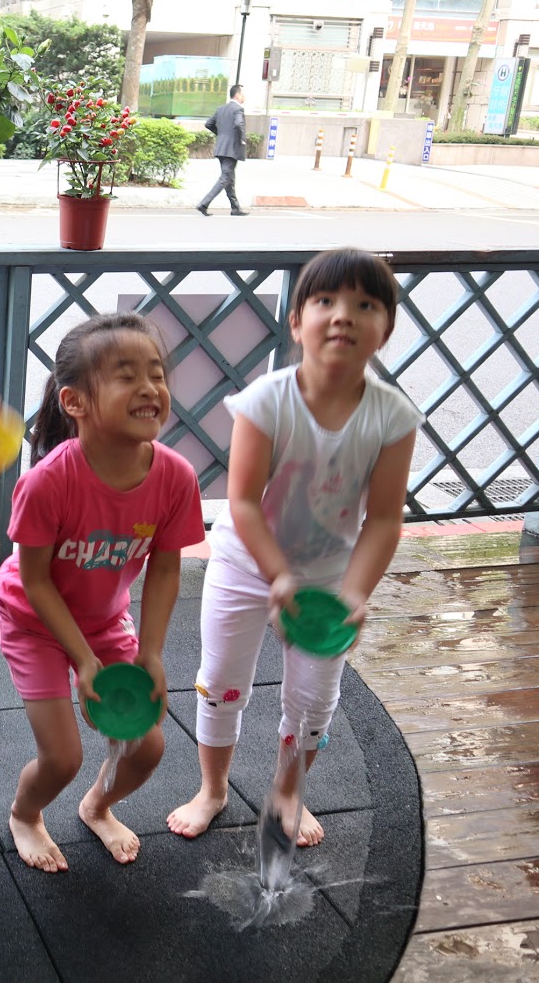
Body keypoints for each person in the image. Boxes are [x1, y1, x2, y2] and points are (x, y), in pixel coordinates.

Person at [166, 248, 421, 846]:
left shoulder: (392, 416)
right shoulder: (267, 400)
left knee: (313, 701)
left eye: (366, 305)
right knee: (221, 682)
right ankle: (212, 789)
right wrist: (278, 574)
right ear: (297, 321)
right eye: (325, 301)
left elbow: (384, 519)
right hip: (245, 565)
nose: (344, 315)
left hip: (329, 580)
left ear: (385, 329)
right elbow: (243, 501)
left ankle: (286, 793)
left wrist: (354, 593)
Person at [0, 313, 205, 872]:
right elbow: (35, 580)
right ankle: (25, 814)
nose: (150, 388)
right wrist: (84, 661)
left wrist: (151, 653)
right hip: (34, 620)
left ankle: (97, 806)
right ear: (75, 402)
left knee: (148, 746)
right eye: (126, 376)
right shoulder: (47, 482)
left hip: (105, 620)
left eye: (156, 374)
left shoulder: (175, 477)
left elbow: (165, 570)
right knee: (62, 756)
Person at [198, 83, 249, 217]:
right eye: (243, 94)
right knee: (225, 177)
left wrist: (221, 135)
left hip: (221, 147)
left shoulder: (221, 109)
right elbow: (238, 124)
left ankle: (235, 208)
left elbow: (208, 123)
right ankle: (204, 204)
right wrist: (240, 139)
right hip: (231, 149)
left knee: (229, 178)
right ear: (237, 95)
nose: (244, 97)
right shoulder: (238, 109)